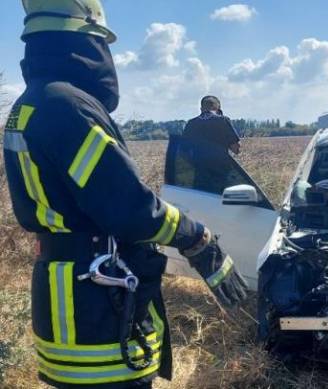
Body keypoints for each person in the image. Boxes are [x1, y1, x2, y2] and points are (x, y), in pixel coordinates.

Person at [2, 1, 247, 388]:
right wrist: (196, 237)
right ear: (83, 41)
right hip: (97, 318)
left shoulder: (32, 103)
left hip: (67, 303)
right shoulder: (66, 107)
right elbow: (129, 207)